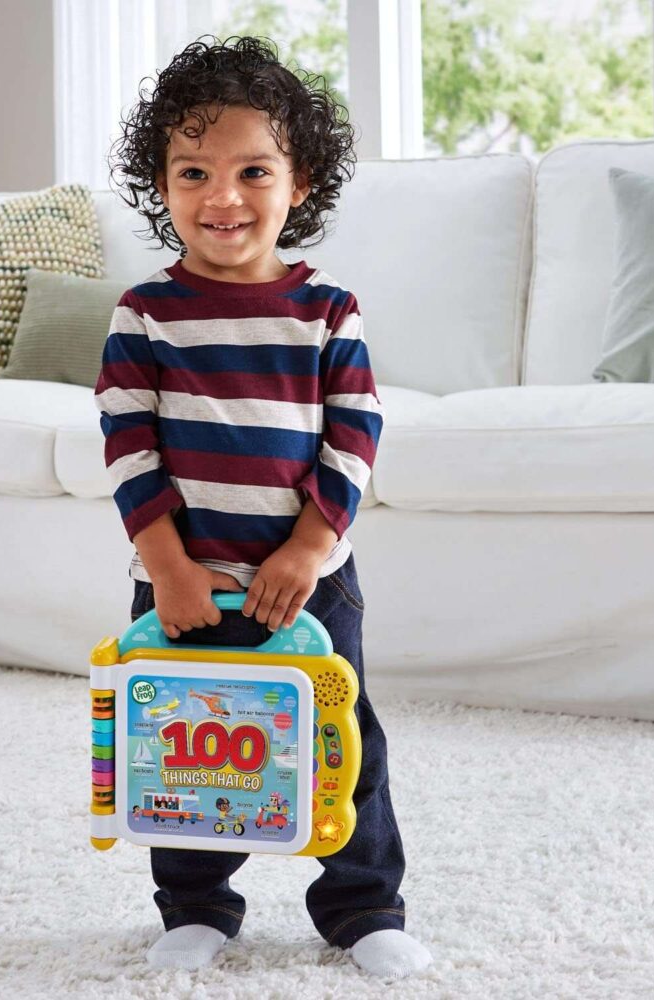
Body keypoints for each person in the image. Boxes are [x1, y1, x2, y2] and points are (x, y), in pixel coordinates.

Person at [95, 35, 432, 981]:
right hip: (182, 583)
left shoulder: (327, 310)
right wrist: (168, 567)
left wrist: (310, 548)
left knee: (342, 742)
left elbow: (355, 433)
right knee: (185, 746)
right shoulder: (144, 312)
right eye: (193, 172)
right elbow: (127, 441)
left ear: (299, 181)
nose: (223, 197)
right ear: (161, 183)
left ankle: (364, 905)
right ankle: (196, 905)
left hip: (309, 582)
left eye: (253, 171)